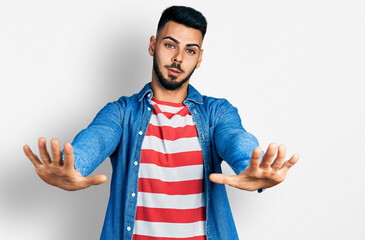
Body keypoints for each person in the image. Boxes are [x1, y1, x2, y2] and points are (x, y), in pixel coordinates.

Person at [23, 6, 299, 240]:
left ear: (199, 58)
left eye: (190, 51)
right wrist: (72, 165)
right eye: (170, 45)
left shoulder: (217, 112)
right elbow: (96, 137)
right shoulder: (122, 112)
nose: (178, 58)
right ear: (153, 45)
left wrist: (251, 165)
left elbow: (235, 138)